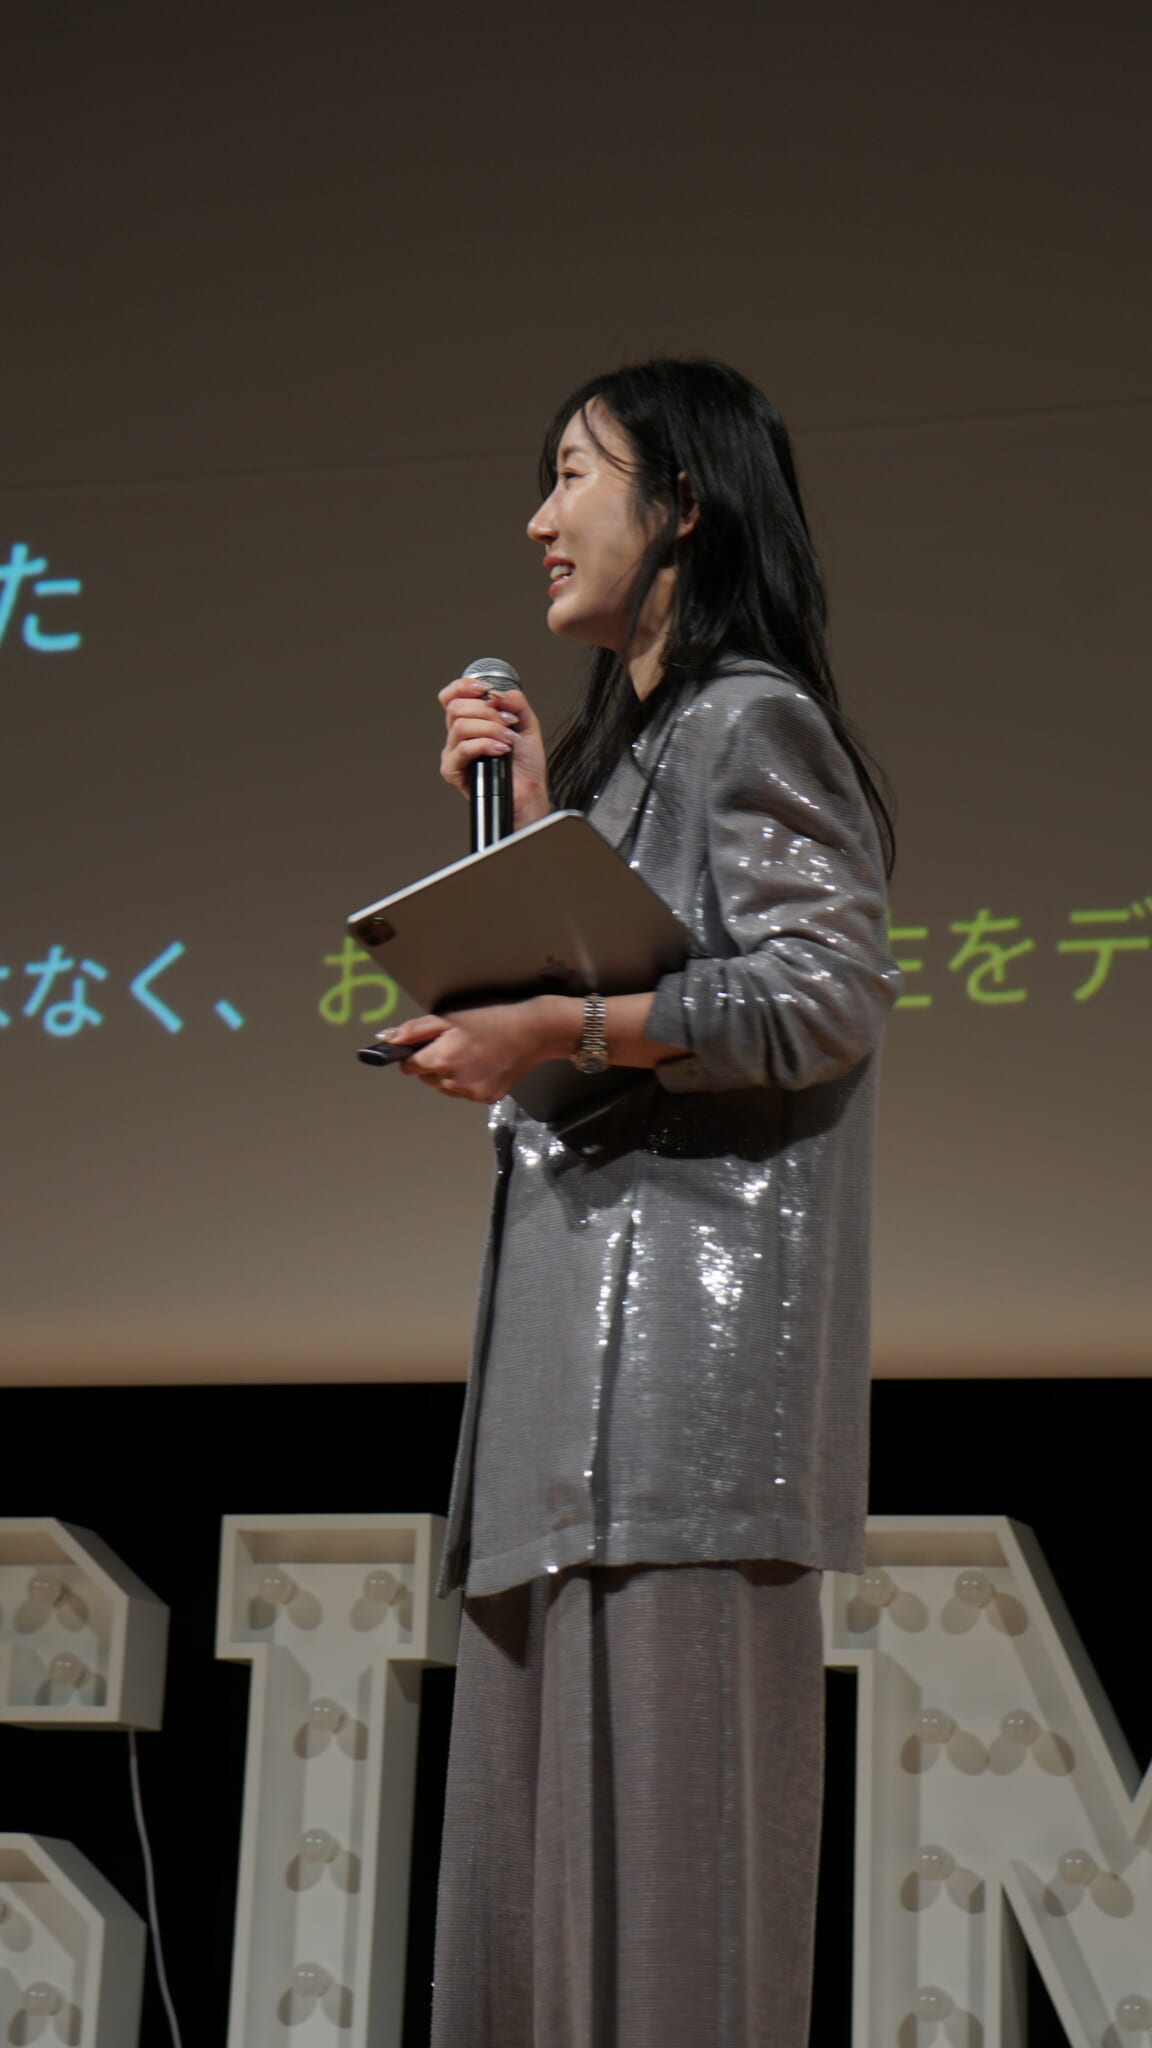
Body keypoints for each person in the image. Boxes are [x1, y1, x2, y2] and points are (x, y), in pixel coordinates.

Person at [379, 358, 899, 2048]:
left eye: (575, 475)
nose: (540, 518)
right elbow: (638, 988)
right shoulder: (634, 761)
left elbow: (822, 997)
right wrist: (538, 837)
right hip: (558, 1411)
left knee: (671, 1920)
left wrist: (554, 1020)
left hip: (686, 1411)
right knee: (529, 1929)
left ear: (682, 503)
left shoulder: (753, 719)